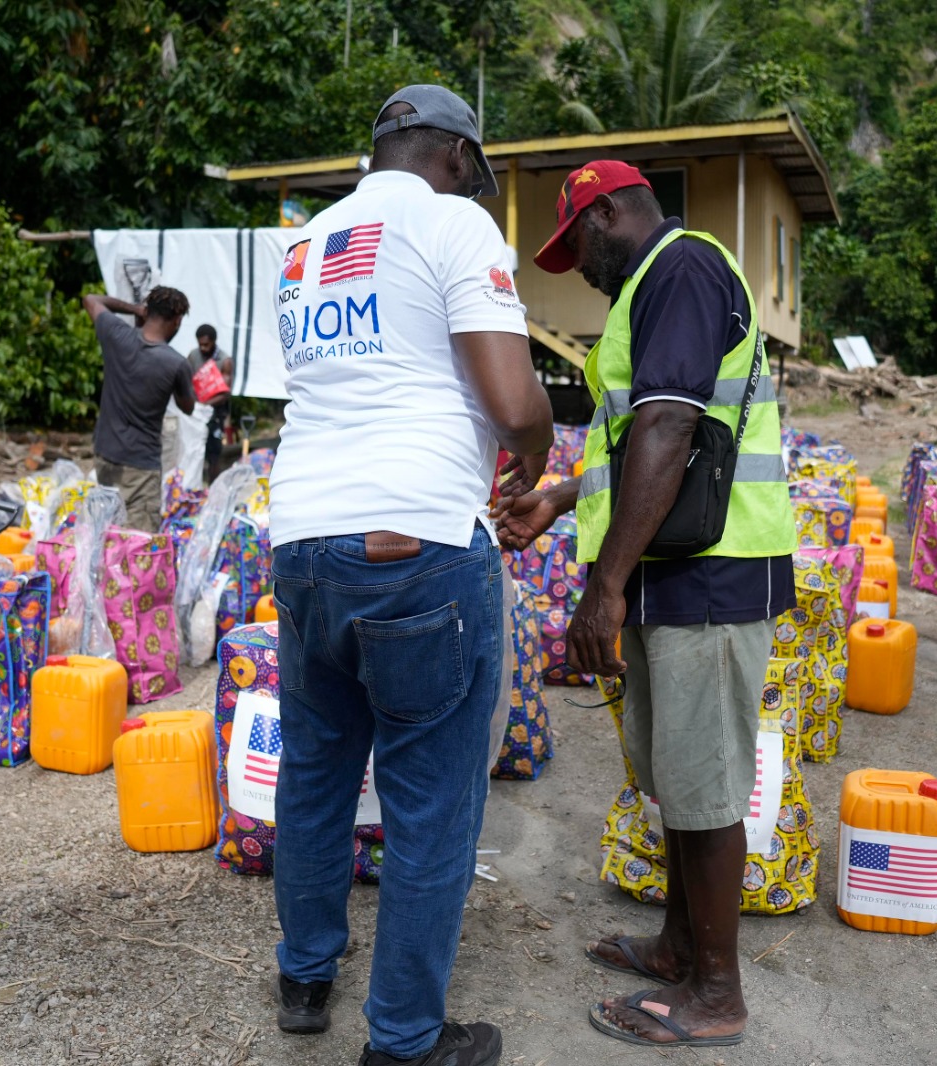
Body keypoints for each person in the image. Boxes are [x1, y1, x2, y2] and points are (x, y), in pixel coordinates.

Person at [268, 85, 552, 1066]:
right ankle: (403, 1041)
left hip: (301, 538)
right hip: (417, 541)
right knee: (430, 799)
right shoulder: (454, 221)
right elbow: (512, 400)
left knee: (315, 772)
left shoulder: (304, 246)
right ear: (461, 157)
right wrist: (535, 452)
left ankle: (305, 974)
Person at [496, 162, 795, 1050]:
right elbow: (633, 439)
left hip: (710, 573)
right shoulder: (648, 294)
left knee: (703, 790)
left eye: (578, 243)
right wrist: (556, 502)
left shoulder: (683, 269)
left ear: (611, 210)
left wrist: (605, 586)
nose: (578, 268)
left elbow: (668, 430)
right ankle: (677, 948)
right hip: (677, 569)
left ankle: (717, 993)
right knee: (677, 779)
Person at [82, 286, 195, 530]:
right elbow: (188, 406)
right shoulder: (176, 364)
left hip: (105, 456)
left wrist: (134, 309)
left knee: (107, 532)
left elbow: (91, 299)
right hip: (140, 467)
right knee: (137, 547)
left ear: (147, 312)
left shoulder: (116, 335)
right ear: (176, 321)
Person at [185, 324, 233, 480]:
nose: (203, 348)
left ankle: (212, 487)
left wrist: (205, 405)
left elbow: (225, 392)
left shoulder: (224, 361)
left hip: (215, 414)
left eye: (206, 344)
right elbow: (186, 380)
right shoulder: (193, 356)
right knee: (192, 451)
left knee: (214, 453)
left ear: (214, 341)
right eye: (200, 344)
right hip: (195, 412)